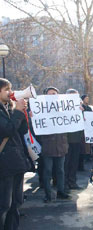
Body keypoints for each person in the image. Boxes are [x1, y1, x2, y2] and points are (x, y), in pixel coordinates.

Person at [0, 78, 29, 230]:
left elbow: (22, 131)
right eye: (6, 89)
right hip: (5, 164)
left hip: (16, 162)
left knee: (15, 203)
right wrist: (17, 112)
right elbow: (7, 130)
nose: (10, 92)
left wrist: (22, 113)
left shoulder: (9, 108)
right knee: (4, 204)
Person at [40, 87, 70, 202]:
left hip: (61, 145)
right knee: (47, 171)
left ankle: (61, 192)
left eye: (54, 94)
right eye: (50, 94)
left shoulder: (64, 110)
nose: (52, 95)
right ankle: (48, 195)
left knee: (60, 170)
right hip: (48, 146)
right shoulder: (41, 110)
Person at [64, 89, 83, 190]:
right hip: (65, 140)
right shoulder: (62, 109)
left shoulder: (81, 109)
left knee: (74, 163)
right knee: (65, 163)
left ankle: (72, 182)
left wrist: (83, 113)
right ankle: (65, 183)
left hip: (76, 140)